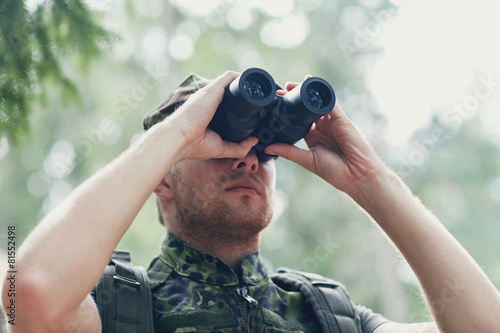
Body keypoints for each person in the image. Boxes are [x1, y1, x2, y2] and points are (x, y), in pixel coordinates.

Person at [3, 70, 500, 333]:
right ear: (160, 180)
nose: (246, 160)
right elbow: (28, 292)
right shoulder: (119, 309)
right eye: (217, 144)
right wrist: (176, 133)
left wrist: (372, 182)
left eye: (260, 148)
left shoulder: (326, 315)